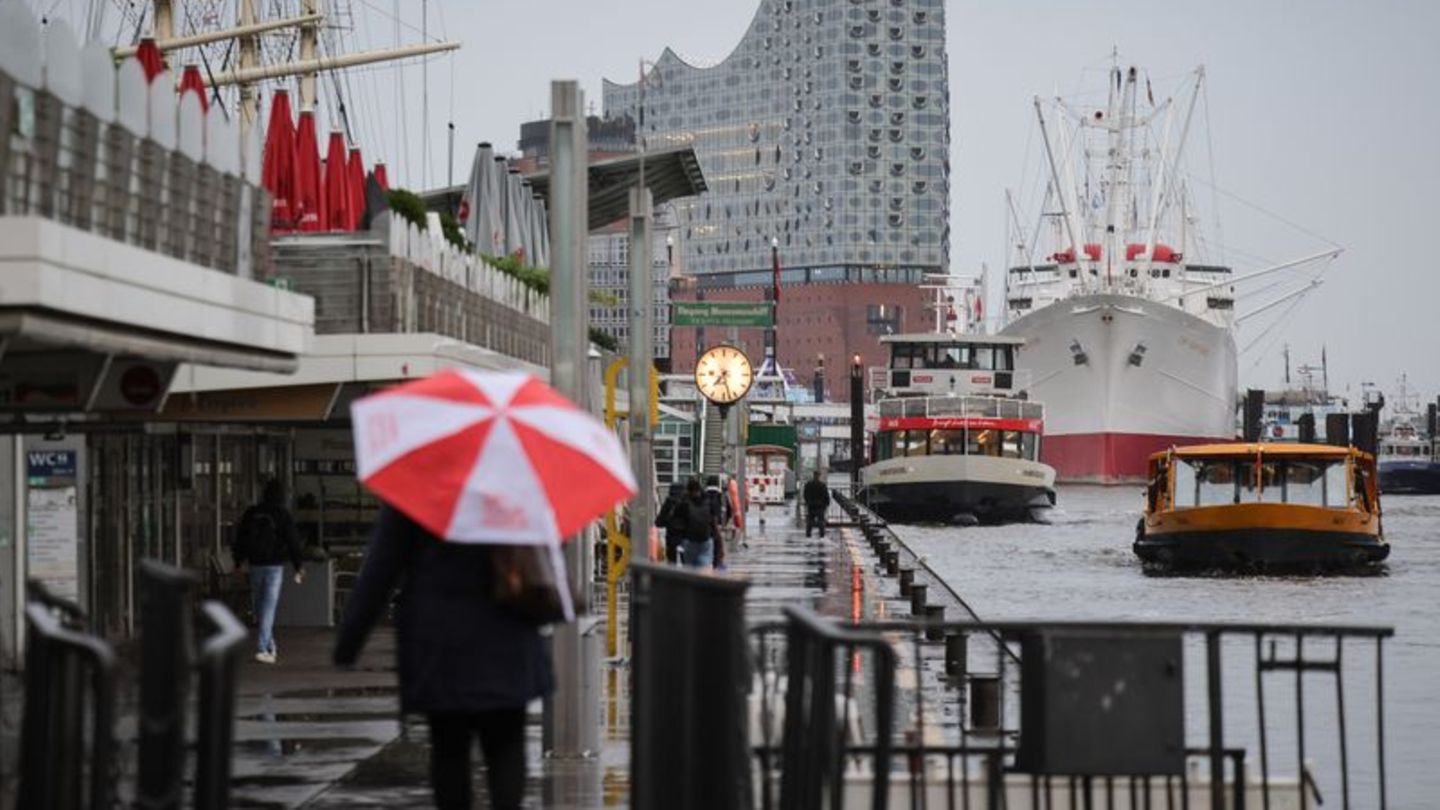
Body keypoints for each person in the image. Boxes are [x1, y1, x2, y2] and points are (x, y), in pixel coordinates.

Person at [334, 505, 552, 810]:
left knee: (449, 749)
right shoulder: (514, 487)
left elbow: (381, 567)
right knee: (506, 745)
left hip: (441, 643)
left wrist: (349, 642)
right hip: (508, 636)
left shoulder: (419, 490)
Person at [232, 479, 304, 664]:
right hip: (274, 567)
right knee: (268, 607)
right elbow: (293, 541)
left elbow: (241, 538)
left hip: (255, 565)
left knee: (259, 607)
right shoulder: (282, 514)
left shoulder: (252, 513)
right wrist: (298, 566)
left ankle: (267, 647)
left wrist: (238, 562)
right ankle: (266, 648)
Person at [678, 477, 718, 568]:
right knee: (704, 568)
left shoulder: (684, 502)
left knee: (689, 569)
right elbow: (714, 522)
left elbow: (677, 522)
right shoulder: (708, 501)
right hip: (706, 539)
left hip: (689, 540)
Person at [704, 475, 732, 570]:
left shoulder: (702, 495)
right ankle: (717, 566)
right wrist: (723, 523)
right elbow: (729, 511)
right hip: (719, 527)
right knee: (718, 548)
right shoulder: (722, 496)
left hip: (705, 527)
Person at [655, 481, 687, 563]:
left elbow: (658, 522)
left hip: (671, 538)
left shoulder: (668, 504)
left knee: (671, 563)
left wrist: (668, 521)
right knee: (687, 564)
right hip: (685, 538)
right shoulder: (687, 503)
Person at [803, 470, 831, 538]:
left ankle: (808, 534)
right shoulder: (822, 485)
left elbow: (805, 494)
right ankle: (821, 534)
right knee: (821, 521)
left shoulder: (808, 484)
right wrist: (826, 504)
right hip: (820, 506)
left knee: (810, 521)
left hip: (811, 505)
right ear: (819, 476)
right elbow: (826, 495)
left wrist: (807, 502)